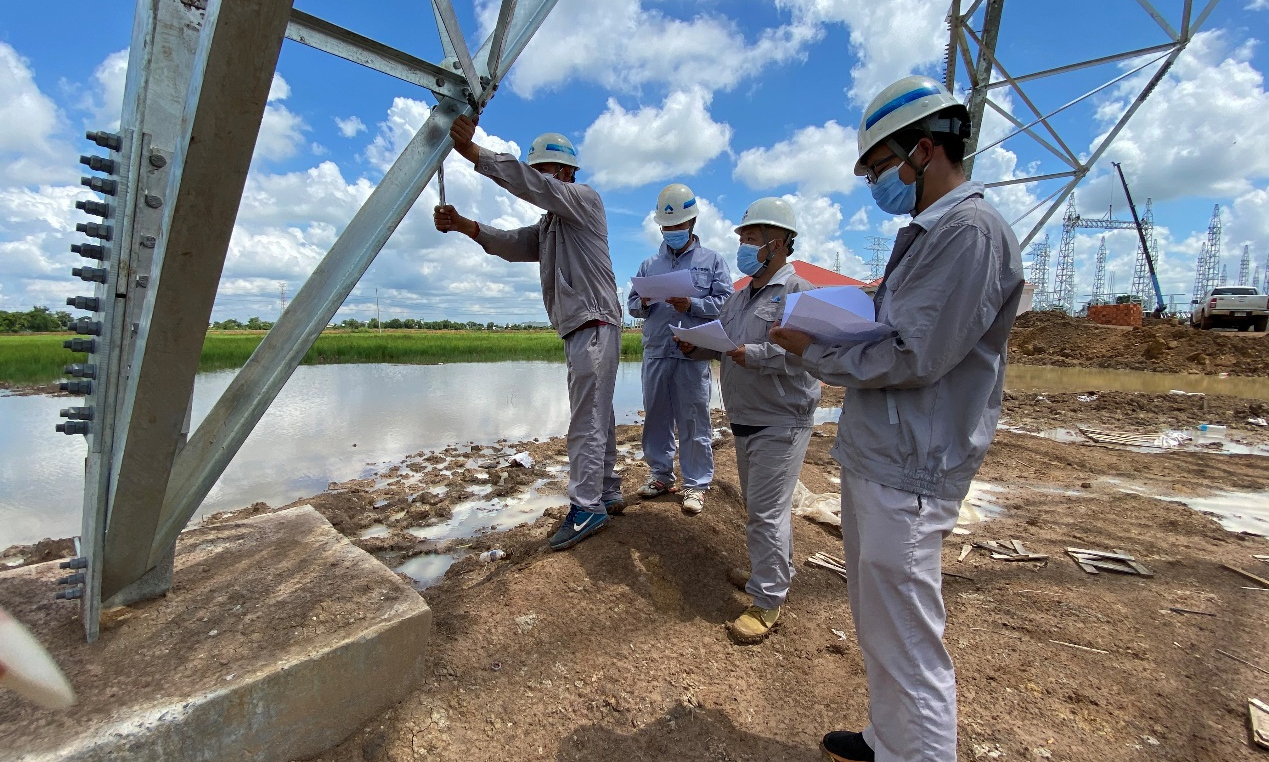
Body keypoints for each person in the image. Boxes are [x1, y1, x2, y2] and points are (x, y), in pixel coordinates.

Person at [769, 75, 1024, 762]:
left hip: (914, 463)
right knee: (881, 621)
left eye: (879, 167)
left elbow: (914, 353)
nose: (876, 183)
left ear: (923, 150)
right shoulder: (930, 233)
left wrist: (816, 350)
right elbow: (893, 321)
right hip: (885, 451)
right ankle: (889, 739)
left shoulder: (969, 232)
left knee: (909, 639)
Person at [434, 115, 623, 551]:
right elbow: (512, 244)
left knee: (586, 419)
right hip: (586, 324)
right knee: (600, 414)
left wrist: (476, 154)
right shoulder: (553, 226)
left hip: (592, 322)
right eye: (537, 172)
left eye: (544, 172)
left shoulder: (583, 199)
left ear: (566, 172)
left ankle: (587, 506)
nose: (540, 181)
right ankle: (608, 492)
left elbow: (535, 188)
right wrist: (466, 225)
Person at [675, 197, 820, 644]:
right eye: (742, 239)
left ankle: (768, 598)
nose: (744, 246)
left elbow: (798, 356)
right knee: (762, 511)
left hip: (783, 418)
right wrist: (695, 346)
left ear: (778, 244)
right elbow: (723, 340)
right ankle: (769, 574)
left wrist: (746, 353)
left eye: (751, 240)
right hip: (746, 416)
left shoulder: (798, 293)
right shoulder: (739, 298)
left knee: (766, 514)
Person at [626, 183, 733, 515]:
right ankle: (660, 476)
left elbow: (727, 303)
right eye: (667, 226)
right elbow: (631, 306)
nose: (672, 231)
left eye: (679, 225)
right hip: (657, 351)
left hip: (692, 352)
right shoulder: (649, 266)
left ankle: (696, 484)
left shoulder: (712, 262)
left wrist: (693, 304)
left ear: (692, 223)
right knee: (656, 418)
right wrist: (643, 300)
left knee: (694, 420)